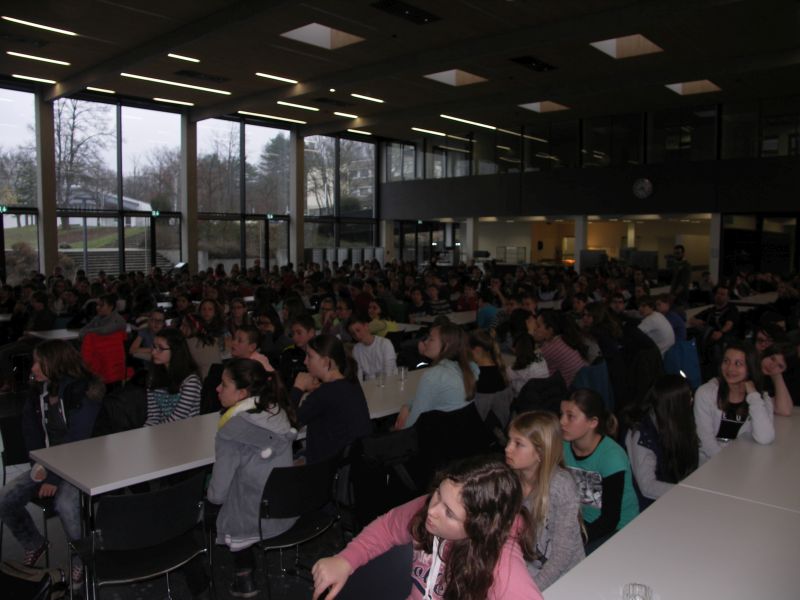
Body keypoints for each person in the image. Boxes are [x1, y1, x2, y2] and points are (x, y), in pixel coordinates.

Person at [311, 456, 543, 600]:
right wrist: (345, 560)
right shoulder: (429, 508)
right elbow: (388, 527)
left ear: (479, 528)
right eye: (438, 494)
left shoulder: (500, 561)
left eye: (450, 513)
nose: (432, 510)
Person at [0, 340, 104, 585]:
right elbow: (31, 433)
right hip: (50, 464)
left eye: (38, 362)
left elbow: (78, 440)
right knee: (6, 498)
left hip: (83, 464)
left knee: (66, 504)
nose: (32, 368)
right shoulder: (39, 391)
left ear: (56, 364)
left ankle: (82, 558)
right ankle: (34, 542)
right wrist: (38, 465)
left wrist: (54, 477)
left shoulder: (83, 391)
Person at [207, 358, 297, 598]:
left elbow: (218, 492)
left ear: (242, 394)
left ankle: (244, 574)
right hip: (287, 505)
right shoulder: (276, 409)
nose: (217, 388)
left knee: (223, 499)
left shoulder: (230, 429)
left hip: (256, 514)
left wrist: (210, 499)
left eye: (224, 385)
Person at [505, 412, 584, 591]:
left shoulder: (561, 486)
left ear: (540, 452)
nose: (507, 448)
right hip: (525, 571)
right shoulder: (508, 481)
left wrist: (530, 590)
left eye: (518, 444)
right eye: (509, 440)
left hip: (566, 577)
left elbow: (562, 555)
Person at [560, 389, 639, 552]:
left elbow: (610, 520)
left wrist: (573, 540)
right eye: (561, 414)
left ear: (593, 422)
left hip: (618, 527)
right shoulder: (562, 446)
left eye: (570, 416)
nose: (562, 422)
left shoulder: (611, 456)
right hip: (581, 522)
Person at [290, 334, 371, 463]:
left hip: (327, 466)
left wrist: (298, 388)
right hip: (351, 461)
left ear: (325, 361)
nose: (305, 361)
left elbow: (288, 422)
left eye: (309, 356)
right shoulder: (352, 383)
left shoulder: (323, 394)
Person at [693, 342, 776, 464]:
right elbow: (706, 440)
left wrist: (753, 396)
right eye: (726, 361)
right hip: (709, 462)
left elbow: (765, 438)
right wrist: (728, 464)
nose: (730, 368)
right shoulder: (706, 393)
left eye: (738, 363)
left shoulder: (760, 398)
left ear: (750, 368)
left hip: (745, 461)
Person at [623, 375, 699, 506]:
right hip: (648, 505)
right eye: (688, 397)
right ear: (675, 404)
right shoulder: (641, 435)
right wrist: (687, 491)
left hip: (674, 494)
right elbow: (647, 486)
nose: (692, 400)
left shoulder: (675, 421)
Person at [395, 323, 479, 429]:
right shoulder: (470, 367)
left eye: (431, 339)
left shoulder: (433, 376)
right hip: (465, 432)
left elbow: (412, 424)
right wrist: (407, 406)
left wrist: (399, 427)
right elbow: (424, 397)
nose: (425, 342)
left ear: (446, 346)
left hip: (440, 435)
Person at [145, 327, 202, 425]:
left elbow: (178, 418)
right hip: (164, 429)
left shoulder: (191, 381)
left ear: (176, 351)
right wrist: (146, 430)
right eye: (154, 346)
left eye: (161, 348)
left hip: (187, 430)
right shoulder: (153, 377)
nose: (153, 352)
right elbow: (153, 416)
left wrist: (156, 430)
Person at [533, 311, 588, 388]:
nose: (535, 329)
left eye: (538, 326)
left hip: (574, 388)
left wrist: (530, 337)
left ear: (550, 330)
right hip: (584, 381)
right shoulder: (562, 339)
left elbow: (529, 362)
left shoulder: (551, 348)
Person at [348, 314, 397, 379]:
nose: (357, 335)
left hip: (389, 381)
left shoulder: (385, 343)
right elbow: (359, 374)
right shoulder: (356, 349)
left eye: (358, 330)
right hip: (369, 383)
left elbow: (389, 372)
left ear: (366, 326)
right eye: (353, 334)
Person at [469, 329, 508, 394]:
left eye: (468, 350)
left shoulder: (479, 377)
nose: (467, 353)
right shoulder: (499, 370)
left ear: (477, 350)